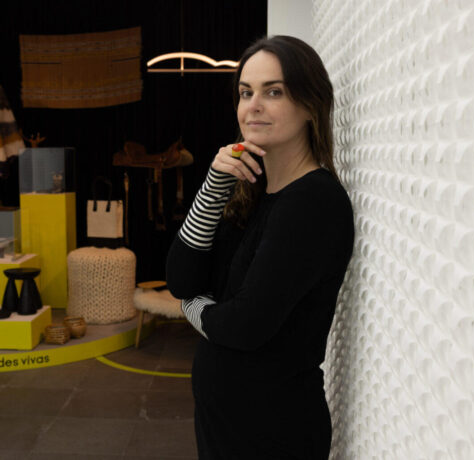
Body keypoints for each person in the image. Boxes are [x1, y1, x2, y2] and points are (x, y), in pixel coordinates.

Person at [166, 35, 355, 459]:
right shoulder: (254, 192)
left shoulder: (313, 202)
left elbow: (244, 325)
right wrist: (213, 185)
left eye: (273, 92)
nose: (253, 106)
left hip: (272, 433)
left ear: (310, 105)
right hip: (230, 429)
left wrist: (191, 308)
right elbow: (181, 277)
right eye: (245, 92)